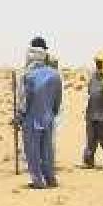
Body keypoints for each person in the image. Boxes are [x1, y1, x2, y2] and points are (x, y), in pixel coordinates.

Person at [15, 38, 63, 188]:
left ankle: (37, 180)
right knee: (47, 150)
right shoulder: (55, 75)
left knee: (32, 151)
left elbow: (24, 101)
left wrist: (19, 117)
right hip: (48, 117)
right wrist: (52, 113)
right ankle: (50, 178)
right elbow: (58, 99)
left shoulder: (27, 76)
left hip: (31, 119)